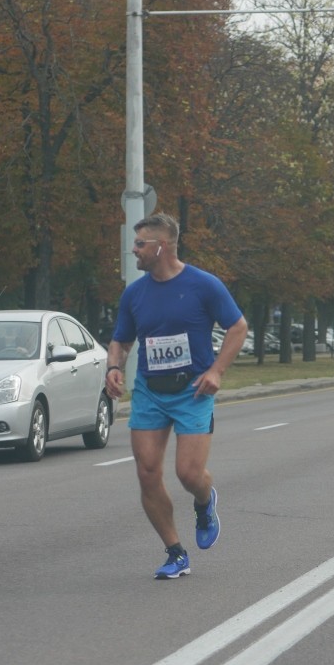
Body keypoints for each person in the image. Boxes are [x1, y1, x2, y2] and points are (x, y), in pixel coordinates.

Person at [105, 213, 248, 580]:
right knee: (147, 472)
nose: (133, 250)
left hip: (192, 392)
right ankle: (175, 552)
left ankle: (205, 501)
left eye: (139, 244)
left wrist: (216, 370)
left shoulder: (204, 285)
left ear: (160, 246)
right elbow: (121, 338)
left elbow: (238, 326)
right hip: (151, 393)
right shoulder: (135, 292)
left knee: (188, 474)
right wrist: (114, 367)